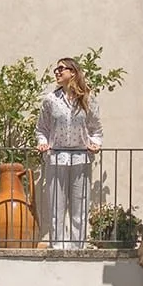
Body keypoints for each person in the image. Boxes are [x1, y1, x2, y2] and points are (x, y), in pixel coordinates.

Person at [36, 58, 103, 250]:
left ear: (73, 72)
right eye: (55, 69)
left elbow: (96, 129)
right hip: (56, 157)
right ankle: (58, 245)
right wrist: (42, 144)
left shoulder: (88, 100)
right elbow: (41, 129)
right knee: (56, 204)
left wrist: (95, 144)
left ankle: (77, 246)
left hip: (81, 157)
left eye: (61, 69)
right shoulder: (50, 100)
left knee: (79, 204)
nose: (56, 72)